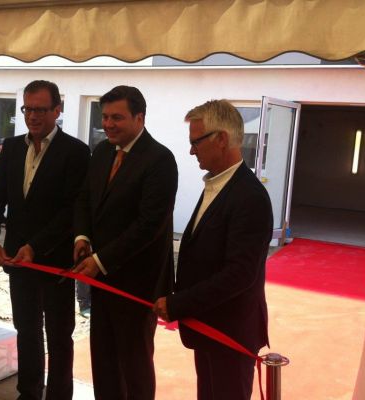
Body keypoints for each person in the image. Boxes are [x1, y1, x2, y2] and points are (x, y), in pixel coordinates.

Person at [152, 100, 273, 400]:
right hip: (208, 324)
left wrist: (179, 303)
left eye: (196, 142)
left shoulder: (250, 197)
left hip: (229, 331)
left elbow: (239, 274)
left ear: (221, 139)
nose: (191, 151)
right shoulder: (218, 185)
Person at [0, 80, 90, 400]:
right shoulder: (12, 147)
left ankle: (59, 395)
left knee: (59, 336)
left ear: (58, 110)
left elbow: (72, 210)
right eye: (27, 109)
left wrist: (37, 246)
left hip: (55, 262)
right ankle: (28, 393)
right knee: (26, 330)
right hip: (18, 260)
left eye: (40, 109)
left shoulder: (75, 152)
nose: (32, 116)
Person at [73, 85, 178, 400]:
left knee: (134, 366)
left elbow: (149, 226)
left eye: (116, 117)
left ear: (139, 118)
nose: (108, 124)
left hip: (137, 285)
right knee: (104, 361)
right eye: (104, 117)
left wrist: (100, 260)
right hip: (101, 281)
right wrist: (82, 237)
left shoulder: (160, 160)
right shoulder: (102, 152)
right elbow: (85, 198)